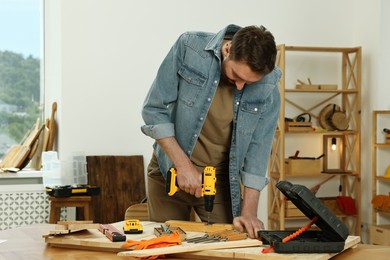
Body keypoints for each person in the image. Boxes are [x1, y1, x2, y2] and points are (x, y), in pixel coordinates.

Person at [141, 24, 281, 238]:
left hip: (219, 181)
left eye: (250, 82)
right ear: (227, 49)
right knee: (165, 248)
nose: (241, 86)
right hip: (169, 172)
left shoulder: (269, 86)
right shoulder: (190, 47)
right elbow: (154, 109)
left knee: (230, 245)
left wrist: (249, 212)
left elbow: (258, 150)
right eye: (236, 75)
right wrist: (183, 166)